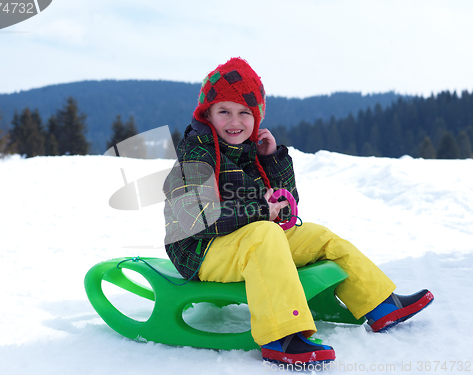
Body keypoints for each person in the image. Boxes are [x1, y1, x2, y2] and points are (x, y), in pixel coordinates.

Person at [163, 57, 434, 365]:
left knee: (318, 236)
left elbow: (286, 209)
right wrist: (260, 212)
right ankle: (282, 336)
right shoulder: (196, 155)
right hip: (201, 250)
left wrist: (272, 160)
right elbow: (196, 219)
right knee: (264, 234)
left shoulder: (246, 152)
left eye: (244, 113)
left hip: (245, 240)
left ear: (256, 116)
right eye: (224, 111)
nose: (234, 122)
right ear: (208, 114)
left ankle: (381, 303)